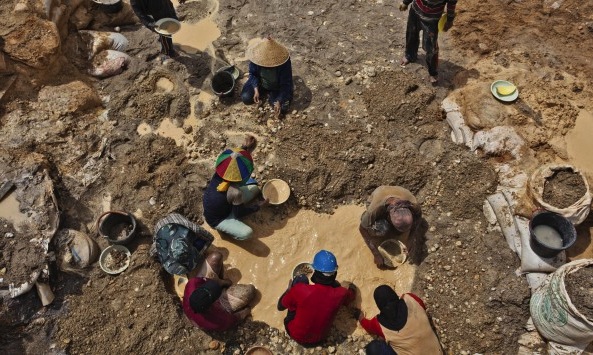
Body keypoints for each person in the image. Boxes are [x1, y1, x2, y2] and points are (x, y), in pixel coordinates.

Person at [277, 250, 356, 346]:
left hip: (295, 334)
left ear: (315, 272)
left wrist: (289, 290)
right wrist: (351, 288)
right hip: (320, 339)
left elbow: (280, 306)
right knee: (335, 285)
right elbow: (351, 295)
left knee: (301, 279)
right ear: (334, 274)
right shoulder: (341, 293)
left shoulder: (300, 290)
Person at [202, 135, 268, 241]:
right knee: (247, 233)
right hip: (218, 219)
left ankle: (234, 208)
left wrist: (245, 147)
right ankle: (227, 229)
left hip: (218, 203)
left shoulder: (223, 169)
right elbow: (239, 213)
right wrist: (258, 206)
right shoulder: (235, 192)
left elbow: (235, 158)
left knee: (255, 189)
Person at [358, 285, 443, 355]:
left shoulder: (379, 324)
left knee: (373, 348)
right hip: (438, 352)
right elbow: (422, 307)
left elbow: (367, 325)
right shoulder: (411, 298)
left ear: (379, 305)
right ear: (394, 294)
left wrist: (360, 317)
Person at [182, 259, 256, 331]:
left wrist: (223, 282)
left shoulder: (192, 284)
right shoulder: (218, 321)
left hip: (204, 305)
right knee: (250, 290)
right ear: (213, 303)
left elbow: (210, 283)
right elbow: (238, 317)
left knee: (216, 257)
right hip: (221, 306)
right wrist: (247, 310)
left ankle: (221, 281)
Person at [359, 186, 421, 268]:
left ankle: (397, 228)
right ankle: (367, 219)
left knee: (399, 230)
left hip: (397, 193)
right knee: (382, 229)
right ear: (388, 216)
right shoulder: (375, 209)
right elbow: (362, 229)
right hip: (378, 196)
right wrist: (376, 254)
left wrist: (410, 240)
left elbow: (417, 220)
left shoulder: (413, 204)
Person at [398, 0, 457, 84]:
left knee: (431, 47)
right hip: (415, 12)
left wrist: (449, 20)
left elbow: (451, 3)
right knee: (411, 34)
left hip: (433, 19)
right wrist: (406, 2)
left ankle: (432, 71)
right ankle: (410, 55)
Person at [241, 36, 294, 118]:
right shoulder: (256, 59)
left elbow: (286, 84)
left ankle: (272, 95)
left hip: (277, 87)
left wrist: (279, 100)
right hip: (261, 83)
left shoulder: (283, 63)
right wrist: (256, 89)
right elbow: (253, 74)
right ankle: (263, 92)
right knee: (246, 97)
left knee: (282, 108)